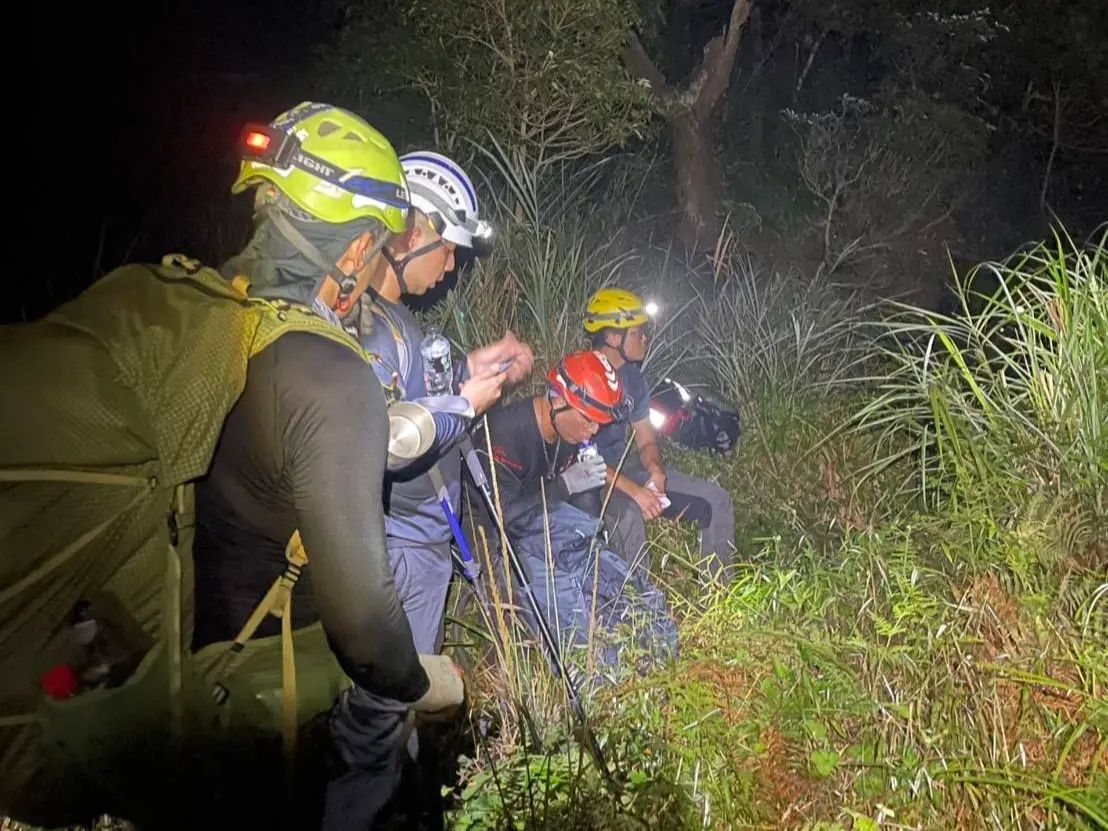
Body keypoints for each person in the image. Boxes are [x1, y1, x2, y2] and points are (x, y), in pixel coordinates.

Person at [188, 103, 464, 830]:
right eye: (379, 249)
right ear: (353, 250)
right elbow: (366, 621)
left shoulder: (206, 307)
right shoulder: (331, 376)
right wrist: (419, 681)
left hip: (182, 664)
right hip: (272, 692)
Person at [342, 150, 534, 819]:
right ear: (410, 230)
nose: (451, 267)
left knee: (407, 702)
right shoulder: (361, 322)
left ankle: (404, 799)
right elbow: (382, 441)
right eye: (447, 249)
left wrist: (469, 377)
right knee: (381, 709)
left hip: (425, 542)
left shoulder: (401, 321)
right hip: (394, 546)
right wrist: (468, 403)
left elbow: (411, 405)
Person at [582, 288, 735, 579]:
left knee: (716, 499)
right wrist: (634, 491)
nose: (645, 339)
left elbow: (646, 439)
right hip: (588, 478)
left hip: (624, 467)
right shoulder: (579, 376)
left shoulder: (633, 379)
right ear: (614, 338)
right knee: (627, 517)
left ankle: (719, 595)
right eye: (637, 333)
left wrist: (655, 470)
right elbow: (579, 456)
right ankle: (641, 614)